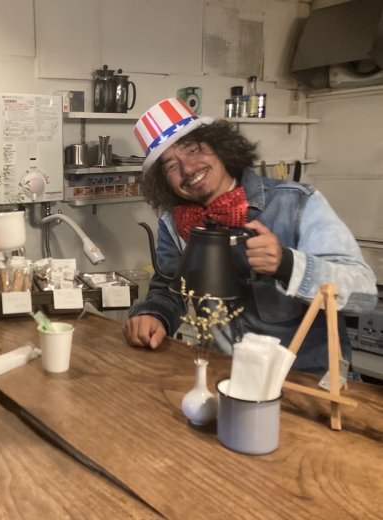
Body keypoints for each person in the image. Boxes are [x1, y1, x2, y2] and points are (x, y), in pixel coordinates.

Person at [123, 97, 377, 374]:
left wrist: (288, 265)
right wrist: (154, 314)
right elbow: (170, 289)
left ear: (218, 145)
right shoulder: (174, 224)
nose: (188, 168)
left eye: (193, 150)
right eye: (171, 166)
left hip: (306, 382)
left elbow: (364, 295)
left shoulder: (297, 203)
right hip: (224, 378)